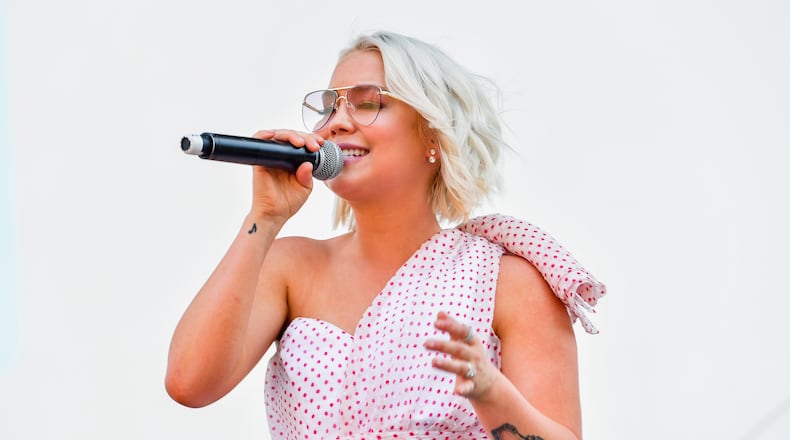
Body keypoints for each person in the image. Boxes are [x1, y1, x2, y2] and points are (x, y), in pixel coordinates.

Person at [166, 30, 606, 440]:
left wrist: (491, 393)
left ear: (432, 132)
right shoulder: (292, 267)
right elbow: (189, 383)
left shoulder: (506, 281)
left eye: (366, 102)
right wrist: (264, 216)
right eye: (329, 106)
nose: (336, 122)